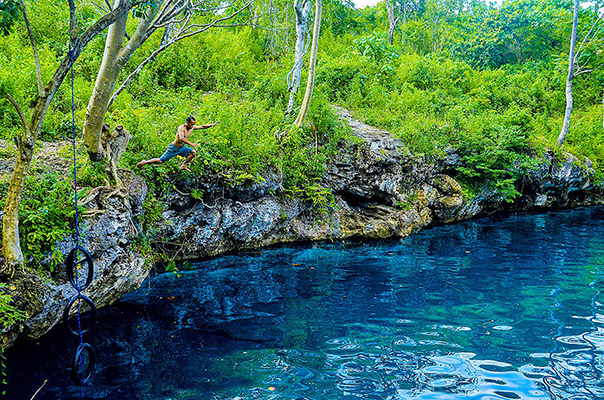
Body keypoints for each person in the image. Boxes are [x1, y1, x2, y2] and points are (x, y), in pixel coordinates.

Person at [136, 116, 219, 172]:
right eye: (191, 124)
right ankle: (145, 162)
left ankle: (184, 165)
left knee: (193, 152)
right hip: (173, 148)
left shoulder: (192, 127)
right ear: (187, 122)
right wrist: (192, 144)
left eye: (193, 124)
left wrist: (212, 125)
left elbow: (202, 126)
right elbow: (182, 138)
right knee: (160, 160)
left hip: (182, 148)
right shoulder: (181, 128)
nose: (193, 126)